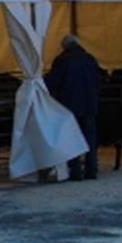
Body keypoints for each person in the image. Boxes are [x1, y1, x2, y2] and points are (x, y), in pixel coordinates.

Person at [44, 35, 101, 181]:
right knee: (90, 138)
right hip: (89, 104)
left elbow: (53, 81)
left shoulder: (62, 60)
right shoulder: (90, 59)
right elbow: (99, 79)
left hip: (69, 105)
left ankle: (75, 171)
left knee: (72, 138)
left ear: (64, 46)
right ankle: (91, 169)